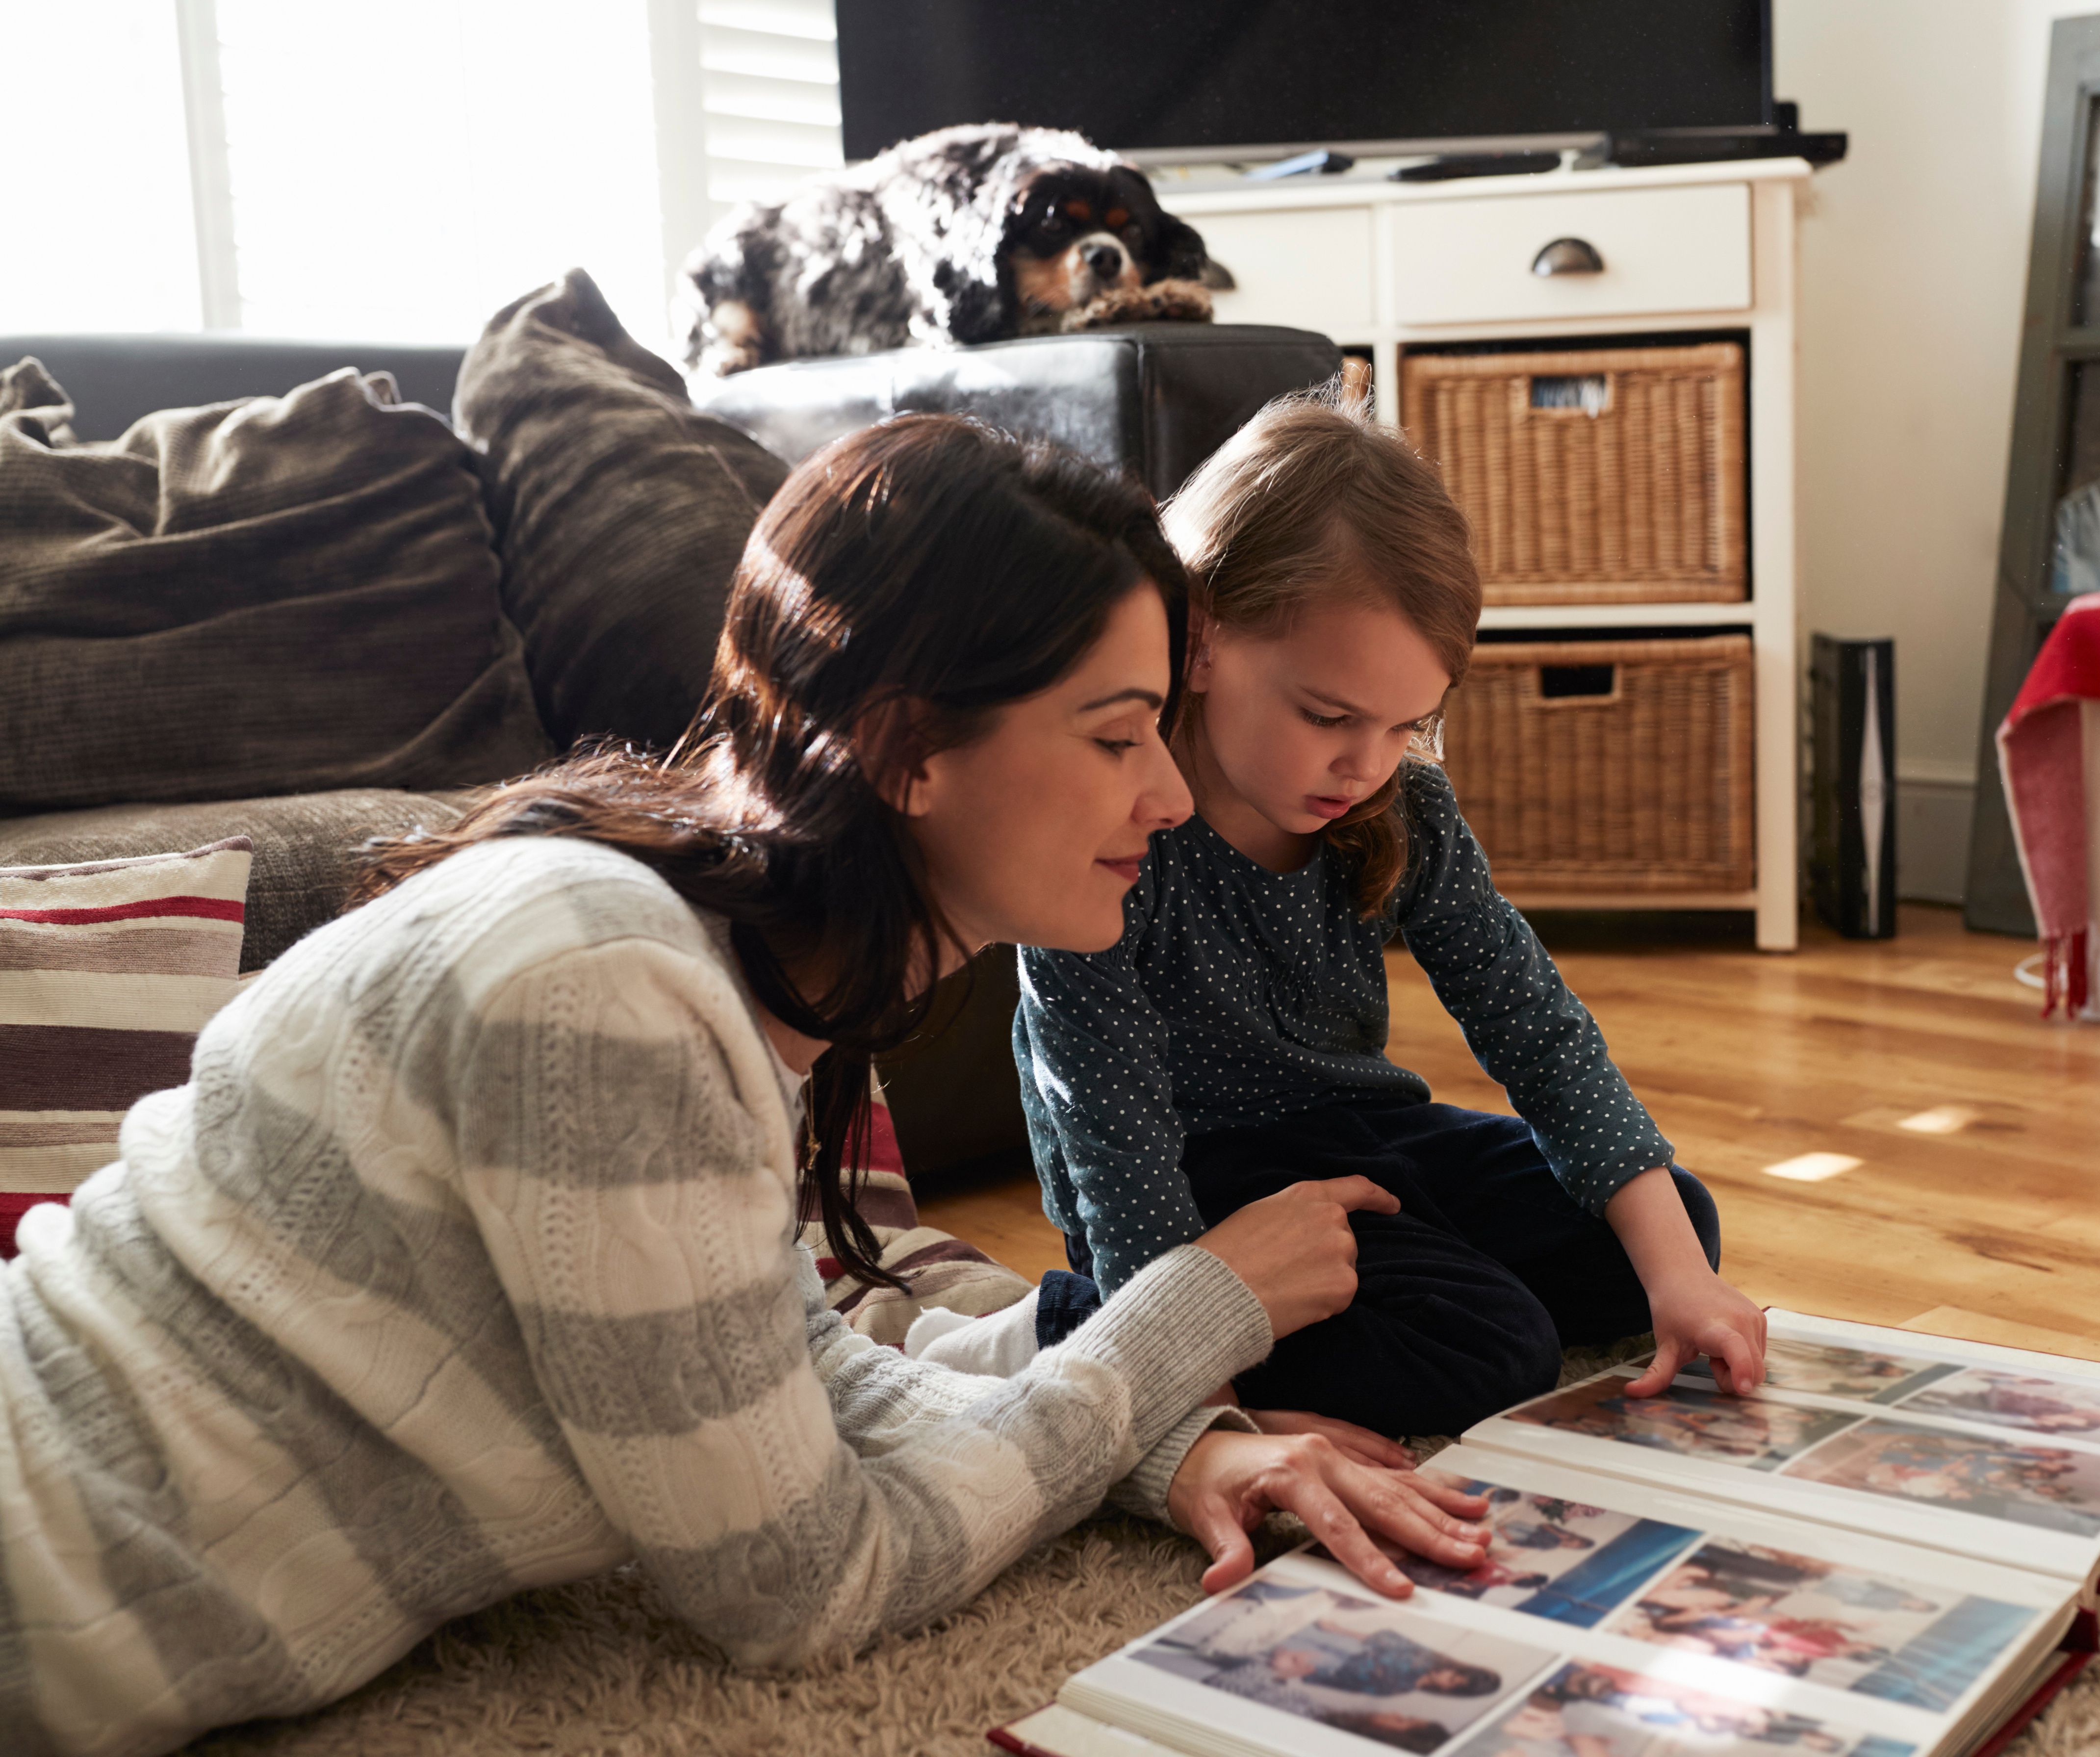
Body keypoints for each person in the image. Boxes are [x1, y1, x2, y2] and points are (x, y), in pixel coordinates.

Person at [0, 414, 1491, 1757]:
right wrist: (1193, 1310)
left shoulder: (698, 975)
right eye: (1118, 739)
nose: (1170, 797)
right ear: (912, 749)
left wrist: (1170, 1442)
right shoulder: (604, 994)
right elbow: (801, 1584)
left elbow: (802, 1380)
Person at [1000, 392, 1766, 1435]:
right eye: (1329, 717)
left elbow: (1534, 1029)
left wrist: (1679, 1275)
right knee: (1493, 1349)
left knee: (1668, 1224)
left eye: (1406, 725)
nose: (1363, 765)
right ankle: (1077, 1330)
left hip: (1365, 1133)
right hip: (1189, 1181)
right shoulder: (1113, 828)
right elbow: (1109, 1132)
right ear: (1204, 636)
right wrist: (1188, 1381)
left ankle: (1411, 1289)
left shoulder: (1400, 806)